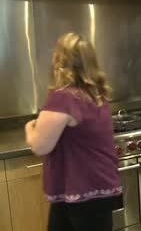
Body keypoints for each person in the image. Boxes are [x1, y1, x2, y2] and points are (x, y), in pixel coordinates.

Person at [25, 32, 121, 231]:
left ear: (59, 60)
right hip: (95, 186)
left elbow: (39, 145)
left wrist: (29, 127)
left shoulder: (62, 98)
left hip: (82, 190)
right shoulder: (96, 94)